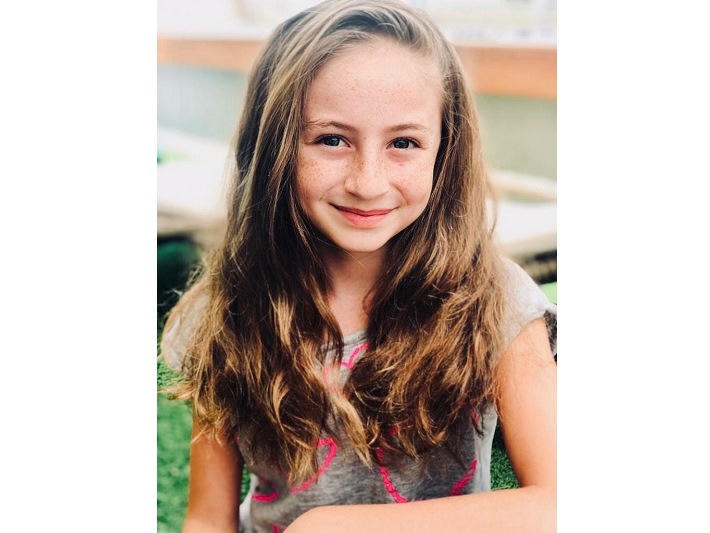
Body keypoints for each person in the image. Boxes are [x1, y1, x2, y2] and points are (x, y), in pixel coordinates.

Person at [161, 0, 557, 531]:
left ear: (445, 152)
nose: (367, 182)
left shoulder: (496, 299)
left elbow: (557, 503)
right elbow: (208, 519)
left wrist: (332, 526)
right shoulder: (221, 310)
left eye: (403, 143)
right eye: (331, 139)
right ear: (273, 147)